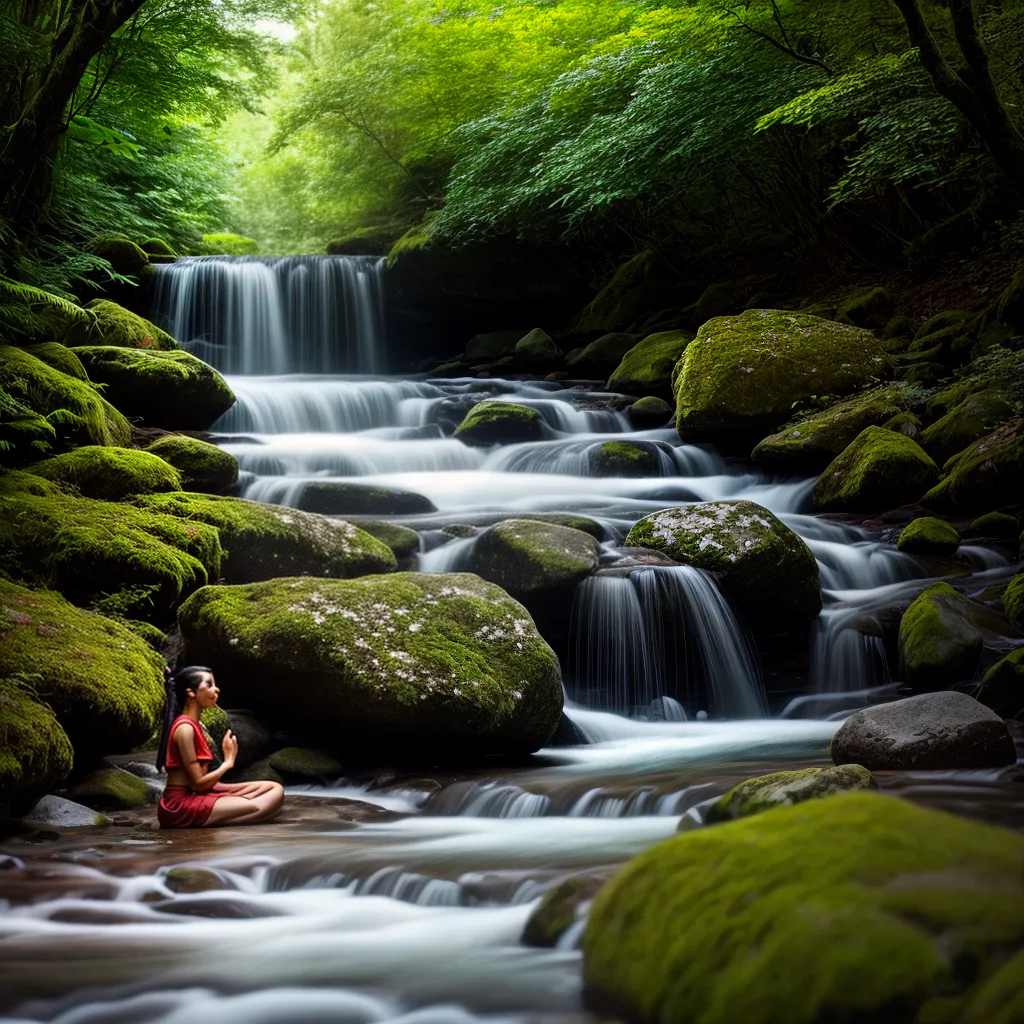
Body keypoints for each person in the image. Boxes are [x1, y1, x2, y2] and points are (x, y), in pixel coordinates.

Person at [156, 665, 284, 828]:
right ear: (191, 693)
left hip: (202, 791)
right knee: (258, 806)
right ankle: (208, 821)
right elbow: (198, 783)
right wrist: (228, 762)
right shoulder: (185, 729)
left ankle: (218, 814)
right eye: (209, 685)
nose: (216, 690)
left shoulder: (196, 724)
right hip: (180, 804)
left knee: (273, 788)